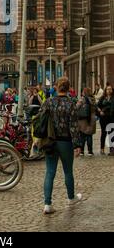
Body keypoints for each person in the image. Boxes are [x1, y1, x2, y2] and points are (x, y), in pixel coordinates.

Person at [41, 77, 82, 215]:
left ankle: (47, 204)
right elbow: (74, 126)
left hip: (50, 142)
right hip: (66, 142)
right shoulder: (71, 103)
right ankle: (71, 198)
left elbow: (41, 120)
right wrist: (77, 145)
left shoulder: (48, 102)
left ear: (56, 87)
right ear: (69, 88)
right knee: (68, 171)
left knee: (50, 172)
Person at [77, 88, 96, 156]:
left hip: (83, 120)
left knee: (82, 136)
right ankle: (90, 151)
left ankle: (82, 151)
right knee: (89, 136)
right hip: (91, 119)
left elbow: (77, 107)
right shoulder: (93, 99)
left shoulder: (82, 99)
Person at [97, 85, 114, 156]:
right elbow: (97, 105)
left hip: (112, 118)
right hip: (103, 118)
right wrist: (100, 111)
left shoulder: (113, 98)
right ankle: (102, 149)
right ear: (105, 90)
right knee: (103, 133)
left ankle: (112, 149)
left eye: (110, 89)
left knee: (111, 134)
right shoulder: (103, 98)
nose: (109, 90)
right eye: (107, 89)